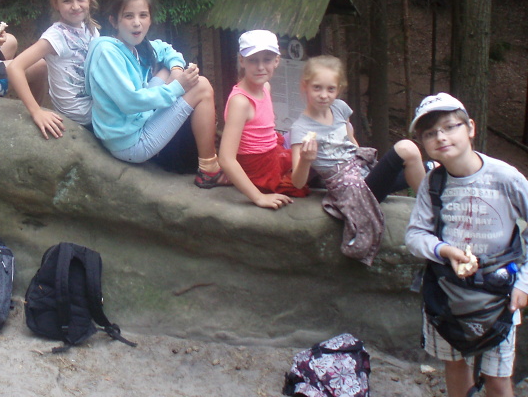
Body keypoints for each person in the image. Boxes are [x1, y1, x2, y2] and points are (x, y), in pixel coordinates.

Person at [405, 93, 528, 397]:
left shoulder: (505, 178)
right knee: (455, 363)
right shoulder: (433, 183)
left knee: (497, 378)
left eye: (450, 127)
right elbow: (415, 235)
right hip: (448, 293)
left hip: (499, 296)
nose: (441, 137)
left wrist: (524, 282)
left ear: (470, 127)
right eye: (430, 133)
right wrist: (445, 250)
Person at [84, 0, 228, 188]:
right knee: (202, 86)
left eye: (143, 15)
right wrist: (178, 87)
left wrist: (176, 70)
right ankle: (209, 169)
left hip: (134, 122)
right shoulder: (107, 52)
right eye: (128, 16)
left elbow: (166, 49)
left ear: (150, 19)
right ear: (114, 21)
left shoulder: (135, 45)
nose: (137, 22)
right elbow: (129, 102)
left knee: (167, 69)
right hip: (129, 142)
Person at [289, 55, 425, 264]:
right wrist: (306, 160)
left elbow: (352, 143)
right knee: (407, 149)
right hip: (351, 191)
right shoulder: (300, 128)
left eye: (330, 89)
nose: (324, 95)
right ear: (304, 86)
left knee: (420, 165)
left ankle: (430, 194)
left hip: (364, 174)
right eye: (317, 88)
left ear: (339, 89)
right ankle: (431, 207)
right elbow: (297, 182)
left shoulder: (340, 108)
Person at [218, 30, 309, 209]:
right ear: (242, 61)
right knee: (309, 163)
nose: (260, 67)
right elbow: (226, 158)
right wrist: (259, 197)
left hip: (272, 149)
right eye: (253, 60)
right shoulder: (241, 102)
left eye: (267, 60)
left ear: (277, 61)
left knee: (311, 139)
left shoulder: (265, 87)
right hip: (259, 168)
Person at [8, 0, 99, 139]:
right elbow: (15, 67)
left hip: (97, 108)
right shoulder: (56, 36)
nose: (75, 6)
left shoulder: (91, 29)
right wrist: (36, 111)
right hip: (78, 117)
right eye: (67, 1)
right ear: (56, 3)